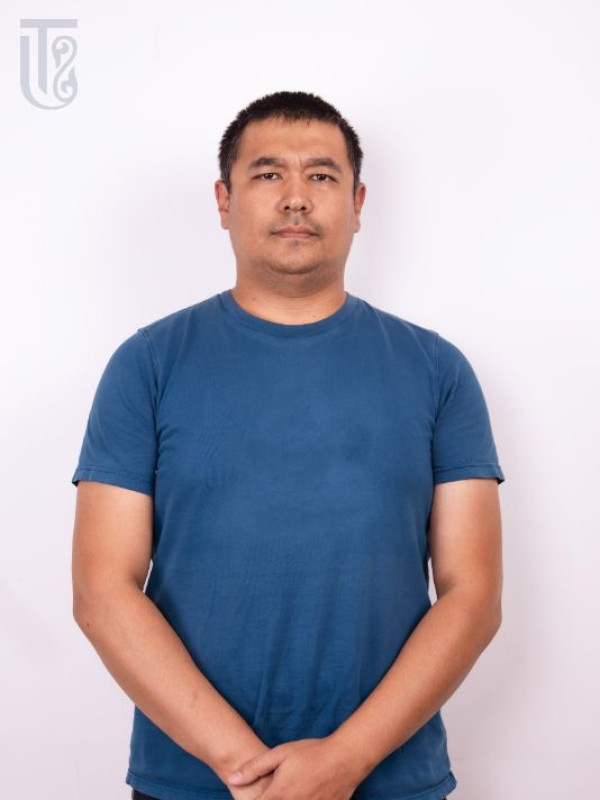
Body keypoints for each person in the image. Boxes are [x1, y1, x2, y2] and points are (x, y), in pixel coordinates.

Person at [71, 90, 505, 800]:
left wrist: (345, 761)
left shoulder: (437, 370)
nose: (296, 197)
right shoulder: (147, 365)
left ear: (358, 203)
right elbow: (102, 591)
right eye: (268, 174)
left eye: (322, 176)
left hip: (390, 780)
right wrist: (245, 767)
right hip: (192, 781)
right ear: (224, 200)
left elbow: (473, 594)